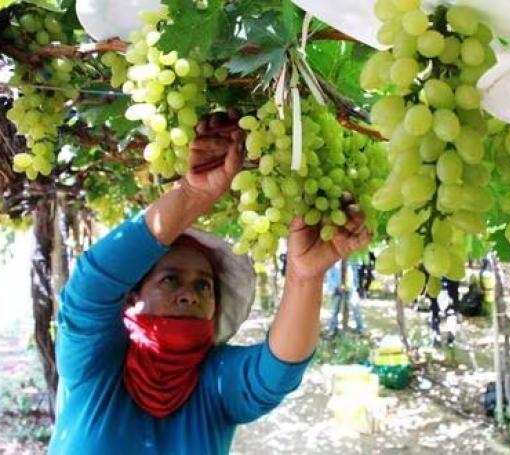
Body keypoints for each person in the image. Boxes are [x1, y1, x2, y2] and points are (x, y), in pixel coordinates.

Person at [48, 112, 372, 454]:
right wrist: (191, 195)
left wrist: (304, 278)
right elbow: (89, 289)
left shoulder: (212, 380)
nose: (190, 294)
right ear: (131, 297)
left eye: (204, 285)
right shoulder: (96, 364)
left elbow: (276, 374)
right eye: (170, 280)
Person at [326, 259, 365, 336]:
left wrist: (355, 286)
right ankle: (332, 330)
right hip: (336, 289)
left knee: (355, 308)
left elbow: (355, 273)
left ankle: (360, 329)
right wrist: (336, 287)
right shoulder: (332, 261)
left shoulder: (352, 260)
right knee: (334, 310)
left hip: (350, 288)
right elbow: (329, 275)